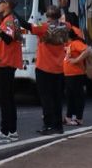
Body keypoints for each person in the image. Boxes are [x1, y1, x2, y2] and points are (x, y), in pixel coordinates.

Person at [29, 7, 72, 135]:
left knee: (46, 98)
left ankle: (48, 125)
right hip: (58, 68)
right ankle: (58, 126)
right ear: (59, 16)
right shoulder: (66, 26)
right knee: (57, 98)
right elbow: (68, 25)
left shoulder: (43, 26)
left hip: (43, 67)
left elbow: (29, 26)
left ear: (47, 15)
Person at [0, 0, 24, 142]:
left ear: (7, 4)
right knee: (8, 98)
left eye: (1, 3)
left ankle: (5, 131)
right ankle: (12, 131)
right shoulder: (10, 19)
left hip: (5, 62)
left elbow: (8, 39)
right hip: (7, 61)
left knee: (5, 99)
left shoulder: (10, 20)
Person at [62, 28, 89, 126]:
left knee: (77, 96)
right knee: (70, 97)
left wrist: (76, 60)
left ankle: (79, 118)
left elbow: (87, 50)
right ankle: (69, 117)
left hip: (76, 74)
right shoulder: (69, 44)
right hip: (69, 75)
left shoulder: (75, 43)